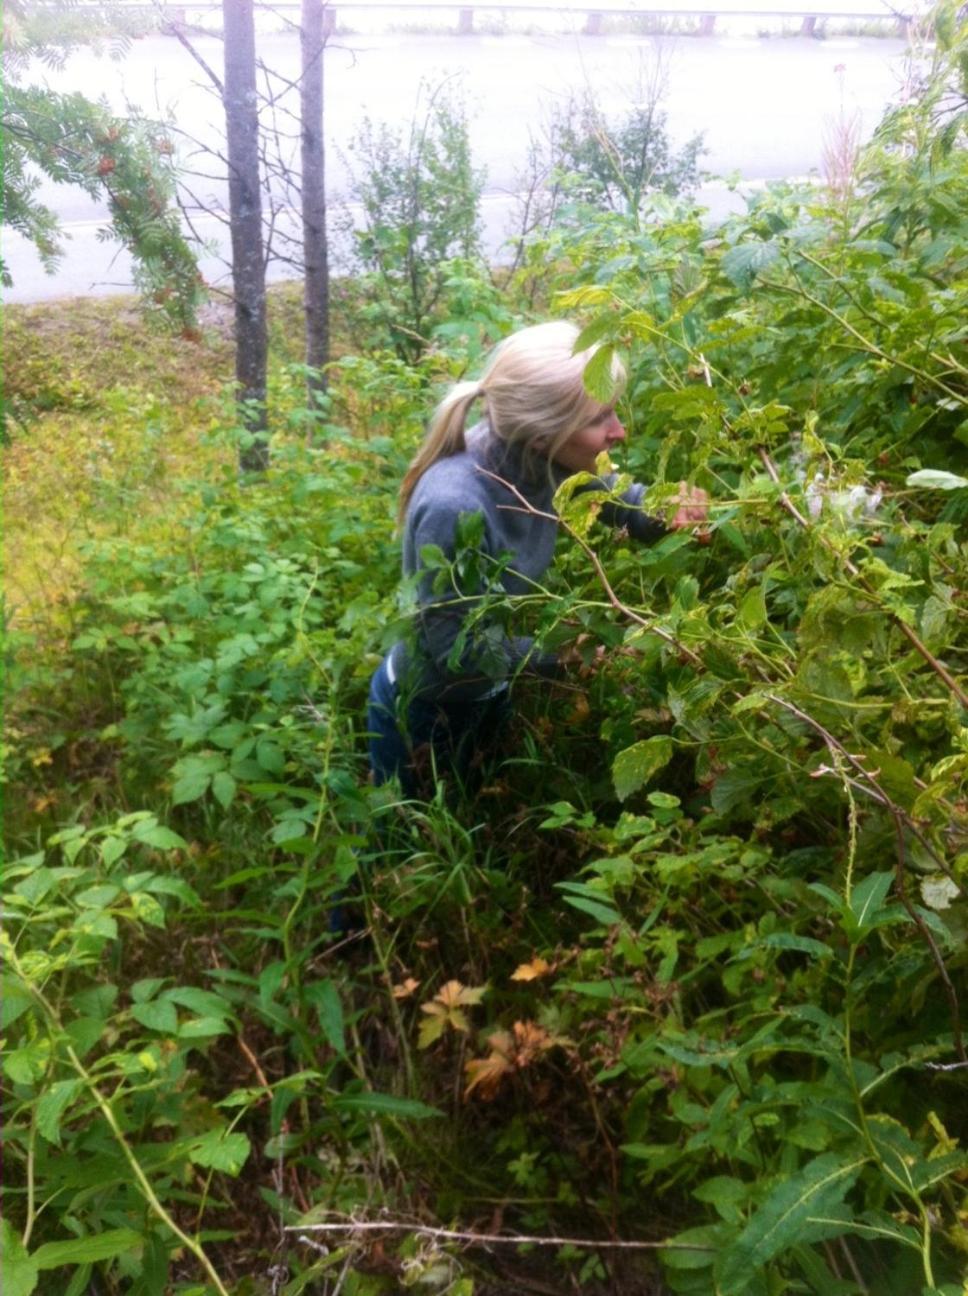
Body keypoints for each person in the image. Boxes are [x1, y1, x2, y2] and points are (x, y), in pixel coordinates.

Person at [367, 320, 708, 797]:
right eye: (599, 418)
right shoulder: (456, 504)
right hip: (424, 710)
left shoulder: (541, 460)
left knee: (482, 809)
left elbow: (611, 499)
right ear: (545, 435)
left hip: (490, 689)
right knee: (411, 843)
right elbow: (456, 650)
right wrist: (572, 653)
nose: (620, 431)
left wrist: (663, 509)